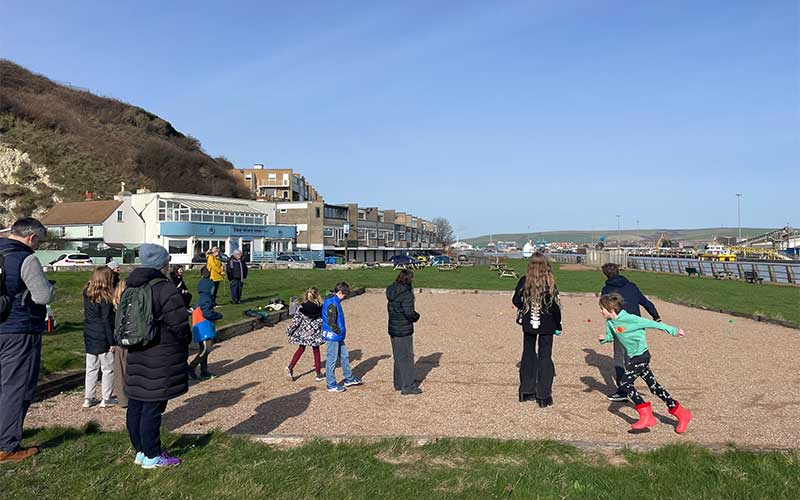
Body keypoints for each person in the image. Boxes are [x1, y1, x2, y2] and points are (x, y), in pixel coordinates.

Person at [123, 244, 190, 468]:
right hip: (160, 353)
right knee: (152, 407)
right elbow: (179, 324)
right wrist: (186, 340)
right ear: (163, 263)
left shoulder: (130, 286)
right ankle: (152, 455)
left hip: (136, 350)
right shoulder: (164, 288)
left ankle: (140, 451)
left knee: (137, 404)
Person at [0, 218, 55, 464]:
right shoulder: (26, 258)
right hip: (18, 329)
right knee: (16, 387)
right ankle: (7, 445)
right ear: (32, 237)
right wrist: (51, 289)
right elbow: (42, 296)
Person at [598, 293, 693, 433]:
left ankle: (646, 415)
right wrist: (604, 338)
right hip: (632, 359)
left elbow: (652, 324)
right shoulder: (610, 322)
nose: (601, 311)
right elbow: (612, 336)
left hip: (641, 356)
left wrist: (673, 331)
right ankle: (682, 413)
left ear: (611, 310)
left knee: (625, 384)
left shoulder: (631, 319)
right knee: (654, 387)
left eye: (602, 309)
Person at [600, 263, 661, 402]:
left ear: (605, 274)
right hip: (635, 326)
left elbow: (608, 312)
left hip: (620, 327)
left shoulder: (607, 289)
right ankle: (650, 385)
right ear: (618, 271)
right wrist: (655, 316)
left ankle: (623, 390)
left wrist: (608, 331)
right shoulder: (631, 286)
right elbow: (645, 301)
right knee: (634, 357)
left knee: (619, 357)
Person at [512, 252, 562, 408]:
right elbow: (555, 306)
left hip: (529, 322)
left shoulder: (524, 281)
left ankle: (526, 391)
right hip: (547, 322)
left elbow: (515, 300)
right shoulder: (550, 283)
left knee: (528, 353)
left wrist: (525, 309)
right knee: (545, 356)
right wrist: (558, 323)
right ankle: (543, 395)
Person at [82, 266, 118, 409]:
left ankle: (88, 397)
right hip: (103, 335)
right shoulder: (105, 298)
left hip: (90, 332)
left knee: (91, 368)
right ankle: (106, 397)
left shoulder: (87, 293)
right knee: (107, 368)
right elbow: (106, 321)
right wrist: (112, 342)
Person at [321, 282, 363, 392]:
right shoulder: (332, 303)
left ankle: (348, 378)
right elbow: (331, 322)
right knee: (332, 359)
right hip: (333, 336)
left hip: (337, 336)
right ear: (339, 292)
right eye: (344, 295)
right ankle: (331, 384)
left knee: (345, 356)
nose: (344, 298)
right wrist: (338, 332)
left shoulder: (334, 301)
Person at [386, 270, 422, 395]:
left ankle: (399, 383)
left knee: (398, 357)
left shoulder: (391, 290)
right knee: (407, 357)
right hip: (403, 329)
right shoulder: (406, 294)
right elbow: (409, 313)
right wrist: (417, 317)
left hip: (393, 328)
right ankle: (408, 386)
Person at [189, 267, 222, 380]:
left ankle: (204, 371)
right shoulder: (206, 299)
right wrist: (218, 315)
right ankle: (191, 367)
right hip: (203, 326)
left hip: (201, 326)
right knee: (206, 349)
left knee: (204, 350)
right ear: (209, 288)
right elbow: (207, 314)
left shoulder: (203, 297)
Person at [286, 287, 325, 382]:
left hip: (303, 333)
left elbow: (296, 321)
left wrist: (290, 331)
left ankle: (291, 366)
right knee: (316, 351)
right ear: (317, 295)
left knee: (301, 349)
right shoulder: (320, 307)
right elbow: (324, 320)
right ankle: (318, 374)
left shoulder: (302, 307)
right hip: (315, 334)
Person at [111, 281, 128, 408]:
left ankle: (122, 398)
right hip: (126, 338)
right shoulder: (126, 303)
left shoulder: (114, 303)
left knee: (119, 370)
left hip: (118, 338)